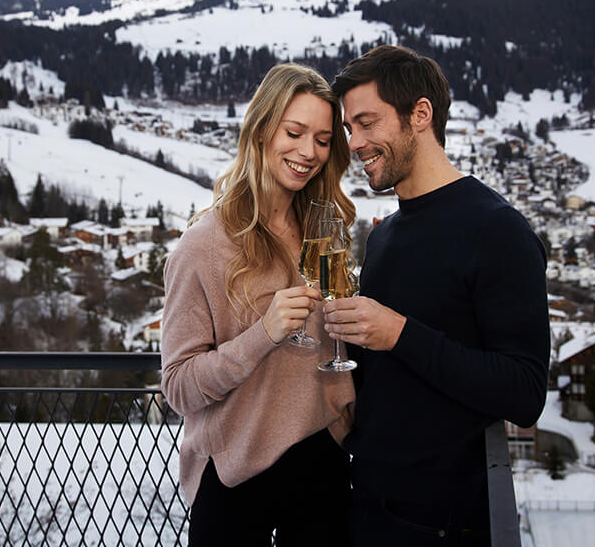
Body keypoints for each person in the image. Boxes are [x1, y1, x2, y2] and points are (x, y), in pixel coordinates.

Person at [323, 45, 550, 545]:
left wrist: (398, 333)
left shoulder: (498, 231)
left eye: (367, 122)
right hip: (366, 505)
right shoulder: (382, 235)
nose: (355, 143)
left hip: (442, 524)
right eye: (348, 129)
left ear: (420, 114)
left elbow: (525, 391)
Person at [161, 63, 357, 546]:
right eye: (295, 132)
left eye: (324, 139)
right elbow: (179, 386)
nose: (308, 152)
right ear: (262, 130)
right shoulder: (202, 247)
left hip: (319, 460)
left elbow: (331, 345)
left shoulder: (321, 232)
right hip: (235, 473)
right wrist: (262, 335)